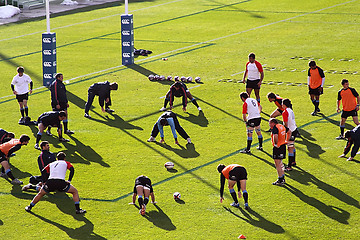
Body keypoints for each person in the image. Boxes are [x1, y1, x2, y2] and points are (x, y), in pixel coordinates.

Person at [269, 118, 288, 186]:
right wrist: (286, 140)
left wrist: (276, 144)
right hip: (283, 146)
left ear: (273, 123)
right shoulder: (281, 126)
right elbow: (288, 131)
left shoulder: (275, 128)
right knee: (280, 163)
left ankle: (280, 179)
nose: (269, 124)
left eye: (270, 123)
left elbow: (275, 136)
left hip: (278, 147)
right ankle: (282, 177)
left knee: (277, 164)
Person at [282, 99, 299, 171]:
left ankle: (289, 166)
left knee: (290, 148)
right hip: (294, 129)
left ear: (284, 105)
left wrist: (285, 132)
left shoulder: (285, 112)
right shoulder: (290, 110)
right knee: (292, 146)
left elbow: (286, 124)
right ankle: (293, 161)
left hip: (290, 131)